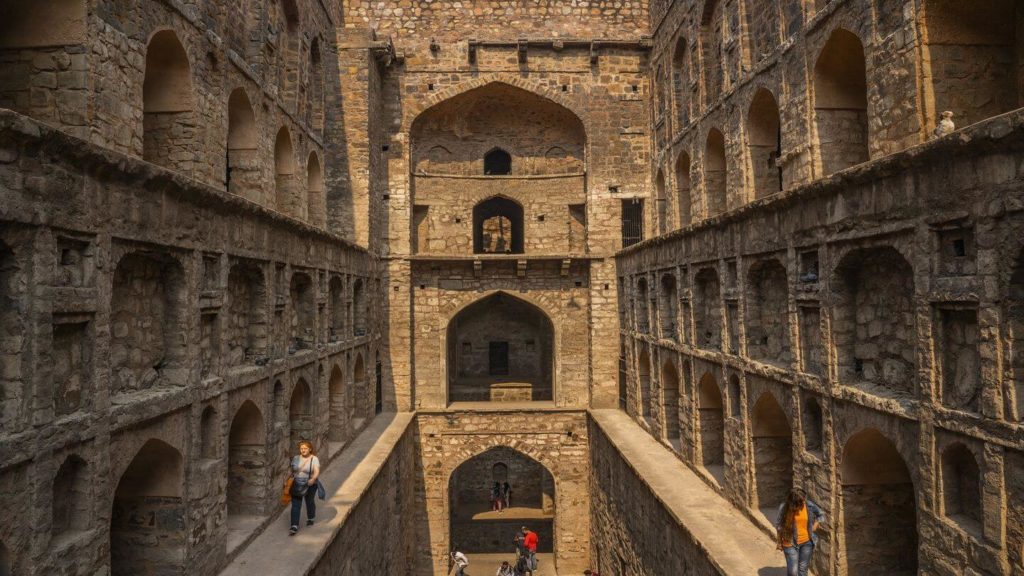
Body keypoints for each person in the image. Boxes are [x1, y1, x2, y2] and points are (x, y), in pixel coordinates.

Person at [774, 489, 825, 576]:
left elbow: (820, 514)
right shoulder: (784, 508)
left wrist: (815, 525)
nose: (804, 502)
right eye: (801, 501)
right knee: (793, 572)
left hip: (807, 542)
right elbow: (779, 526)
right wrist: (779, 541)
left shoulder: (809, 505)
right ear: (793, 503)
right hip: (789, 542)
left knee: (803, 569)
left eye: (804, 499)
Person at [288, 440, 320, 535]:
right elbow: (292, 470)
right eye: (301, 448)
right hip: (297, 483)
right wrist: (288, 479)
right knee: (295, 505)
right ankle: (294, 525)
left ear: (310, 449)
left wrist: (313, 479)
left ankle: (311, 517)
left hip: (309, 484)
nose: (303, 450)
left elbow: (317, 471)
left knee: (309, 502)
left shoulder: (314, 459)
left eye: (305, 448)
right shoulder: (296, 458)